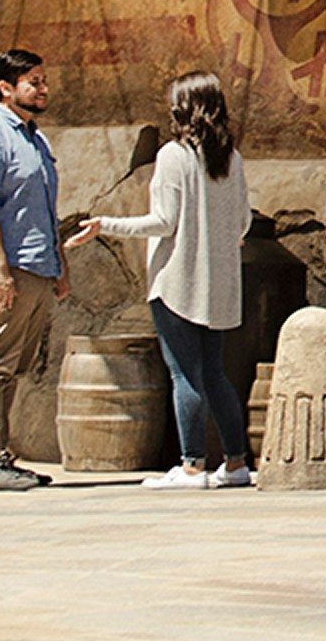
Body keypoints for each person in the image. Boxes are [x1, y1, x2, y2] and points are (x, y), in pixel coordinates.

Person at [66, 69, 253, 489]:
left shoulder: (174, 155)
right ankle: (237, 463)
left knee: (184, 375)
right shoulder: (231, 158)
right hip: (219, 286)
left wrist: (106, 224)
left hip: (177, 283)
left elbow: (163, 222)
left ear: (183, 108)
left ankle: (192, 466)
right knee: (215, 373)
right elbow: (243, 221)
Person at [0, 48, 67, 492]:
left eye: (43, 81)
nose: (43, 89)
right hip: (7, 270)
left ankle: (5, 458)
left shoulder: (34, 139)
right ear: (6, 88)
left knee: (14, 368)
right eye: (33, 82)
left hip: (37, 269)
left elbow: (44, 209)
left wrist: (59, 266)